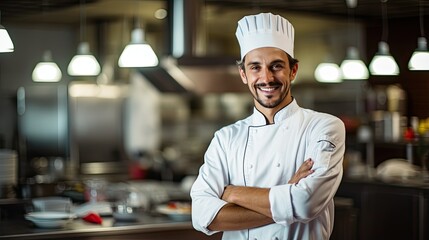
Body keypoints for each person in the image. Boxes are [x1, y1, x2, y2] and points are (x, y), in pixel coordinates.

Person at [190, 12, 346, 240]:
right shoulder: (226, 138)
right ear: (243, 74)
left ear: (293, 71)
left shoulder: (324, 127)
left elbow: (305, 203)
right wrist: (287, 196)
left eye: (276, 66)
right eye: (255, 67)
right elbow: (203, 216)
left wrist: (231, 193)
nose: (266, 77)